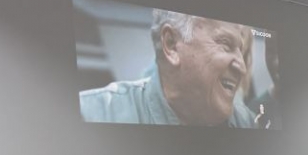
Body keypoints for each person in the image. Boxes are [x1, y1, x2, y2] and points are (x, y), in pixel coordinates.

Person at [79, 10, 261, 127]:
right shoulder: (93, 113)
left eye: (242, 51)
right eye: (226, 44)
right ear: (171, 44)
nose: (242, 68)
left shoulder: (247, 123)